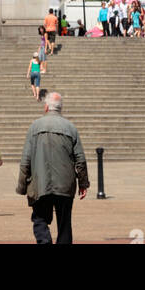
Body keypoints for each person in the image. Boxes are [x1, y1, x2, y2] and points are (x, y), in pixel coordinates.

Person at [17, 92, 88, 244]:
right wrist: (83, 184)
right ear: (60, 108)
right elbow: (80, 159)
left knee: (39, 218)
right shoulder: (71, 128)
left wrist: (22, 186)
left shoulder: (34, 127)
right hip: (65, 184)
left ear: (46, 107)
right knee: (64, 223)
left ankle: (44, 241)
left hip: (40, 183)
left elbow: (25, 161)